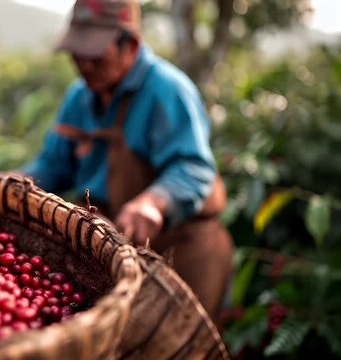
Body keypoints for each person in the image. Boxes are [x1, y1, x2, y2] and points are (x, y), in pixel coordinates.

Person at [21, 0, 233, 320]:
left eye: (93, 53)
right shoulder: (80, 97)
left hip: (178, 252)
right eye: (78, 53)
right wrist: (15, 181)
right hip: (109, 247)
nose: (83, 63)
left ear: (130, 45)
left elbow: (193, 168)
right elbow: (54, 166)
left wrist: (154, 202)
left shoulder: (167, 90)